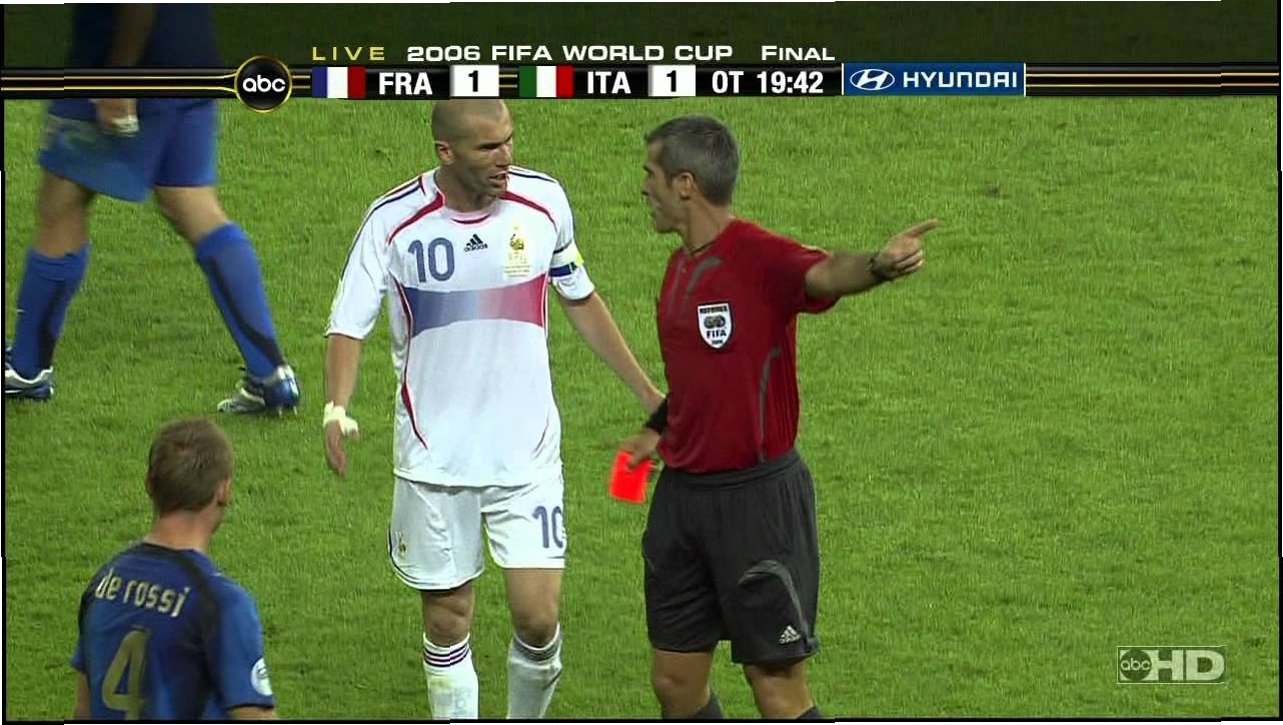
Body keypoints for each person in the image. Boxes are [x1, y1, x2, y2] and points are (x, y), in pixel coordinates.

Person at [323, 99, 663, 719]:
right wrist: (335, 407)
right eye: (488, 147)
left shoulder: (544, 203)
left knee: (538, 617)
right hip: (433, 459)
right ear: (446, 152)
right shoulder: (393, 222)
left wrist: (647, 395)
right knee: (448, 618)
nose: (506, 156)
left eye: (509, 140)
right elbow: (348, 323)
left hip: (526, 453)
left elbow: (580, 298)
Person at [621, 115, 938, 720]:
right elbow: (700, 378)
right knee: (674, 682)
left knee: (775, 684)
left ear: (685, 183)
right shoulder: (680, 266)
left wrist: (877, 264)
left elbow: (824, 272)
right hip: (683, 501)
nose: (643, 187)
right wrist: (656, 428)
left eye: (650, 174)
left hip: (757, 503)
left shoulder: (759, 256)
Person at [4, 4, 300, 413]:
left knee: (61, 205)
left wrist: (119, 78)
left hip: (124, 64)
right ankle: (271, 375)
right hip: (191, 54)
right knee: (190, 202)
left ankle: (27, 368)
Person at [72, 418, 278, 719]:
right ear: (224, 491)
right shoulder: (221, 604)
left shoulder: (103, 583)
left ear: (149, 484)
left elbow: (83, 711)